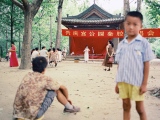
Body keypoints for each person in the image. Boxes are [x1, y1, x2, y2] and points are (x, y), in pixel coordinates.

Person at [115, 11, 155, 120]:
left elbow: (146, 64)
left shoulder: (143, 43)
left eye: (135, 24)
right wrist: (117, 83)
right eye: (128, 24)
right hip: (123, 81)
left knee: (140, 109)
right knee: (126, 106)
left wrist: (144, 84)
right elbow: (120, 64)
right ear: (124, 24)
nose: (131, 27)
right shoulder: (121, 44)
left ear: (140, 26)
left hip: (137, 82)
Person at [13, 56, 80, 120]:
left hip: (18, 113)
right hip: (34, 115)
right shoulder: (46, 79)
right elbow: (64, 88)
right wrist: (67, 99)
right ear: (44, 69)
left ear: (32, 66)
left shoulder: (27, 76)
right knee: (55, 89)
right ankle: (69, 107)